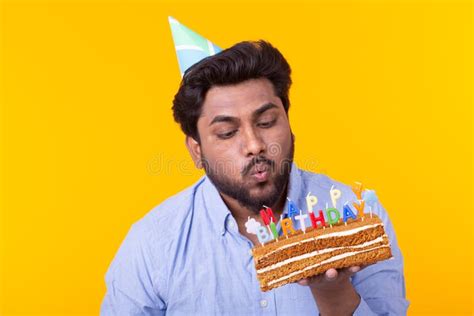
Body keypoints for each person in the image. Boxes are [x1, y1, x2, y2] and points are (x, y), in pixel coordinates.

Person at [101, 40, 409, 315]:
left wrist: (334, 294)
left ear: (288, 122)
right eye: (227, 132)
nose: (254, 145)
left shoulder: (359, 213)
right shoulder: (152, 243)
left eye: (266, 121)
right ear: (196, 150)